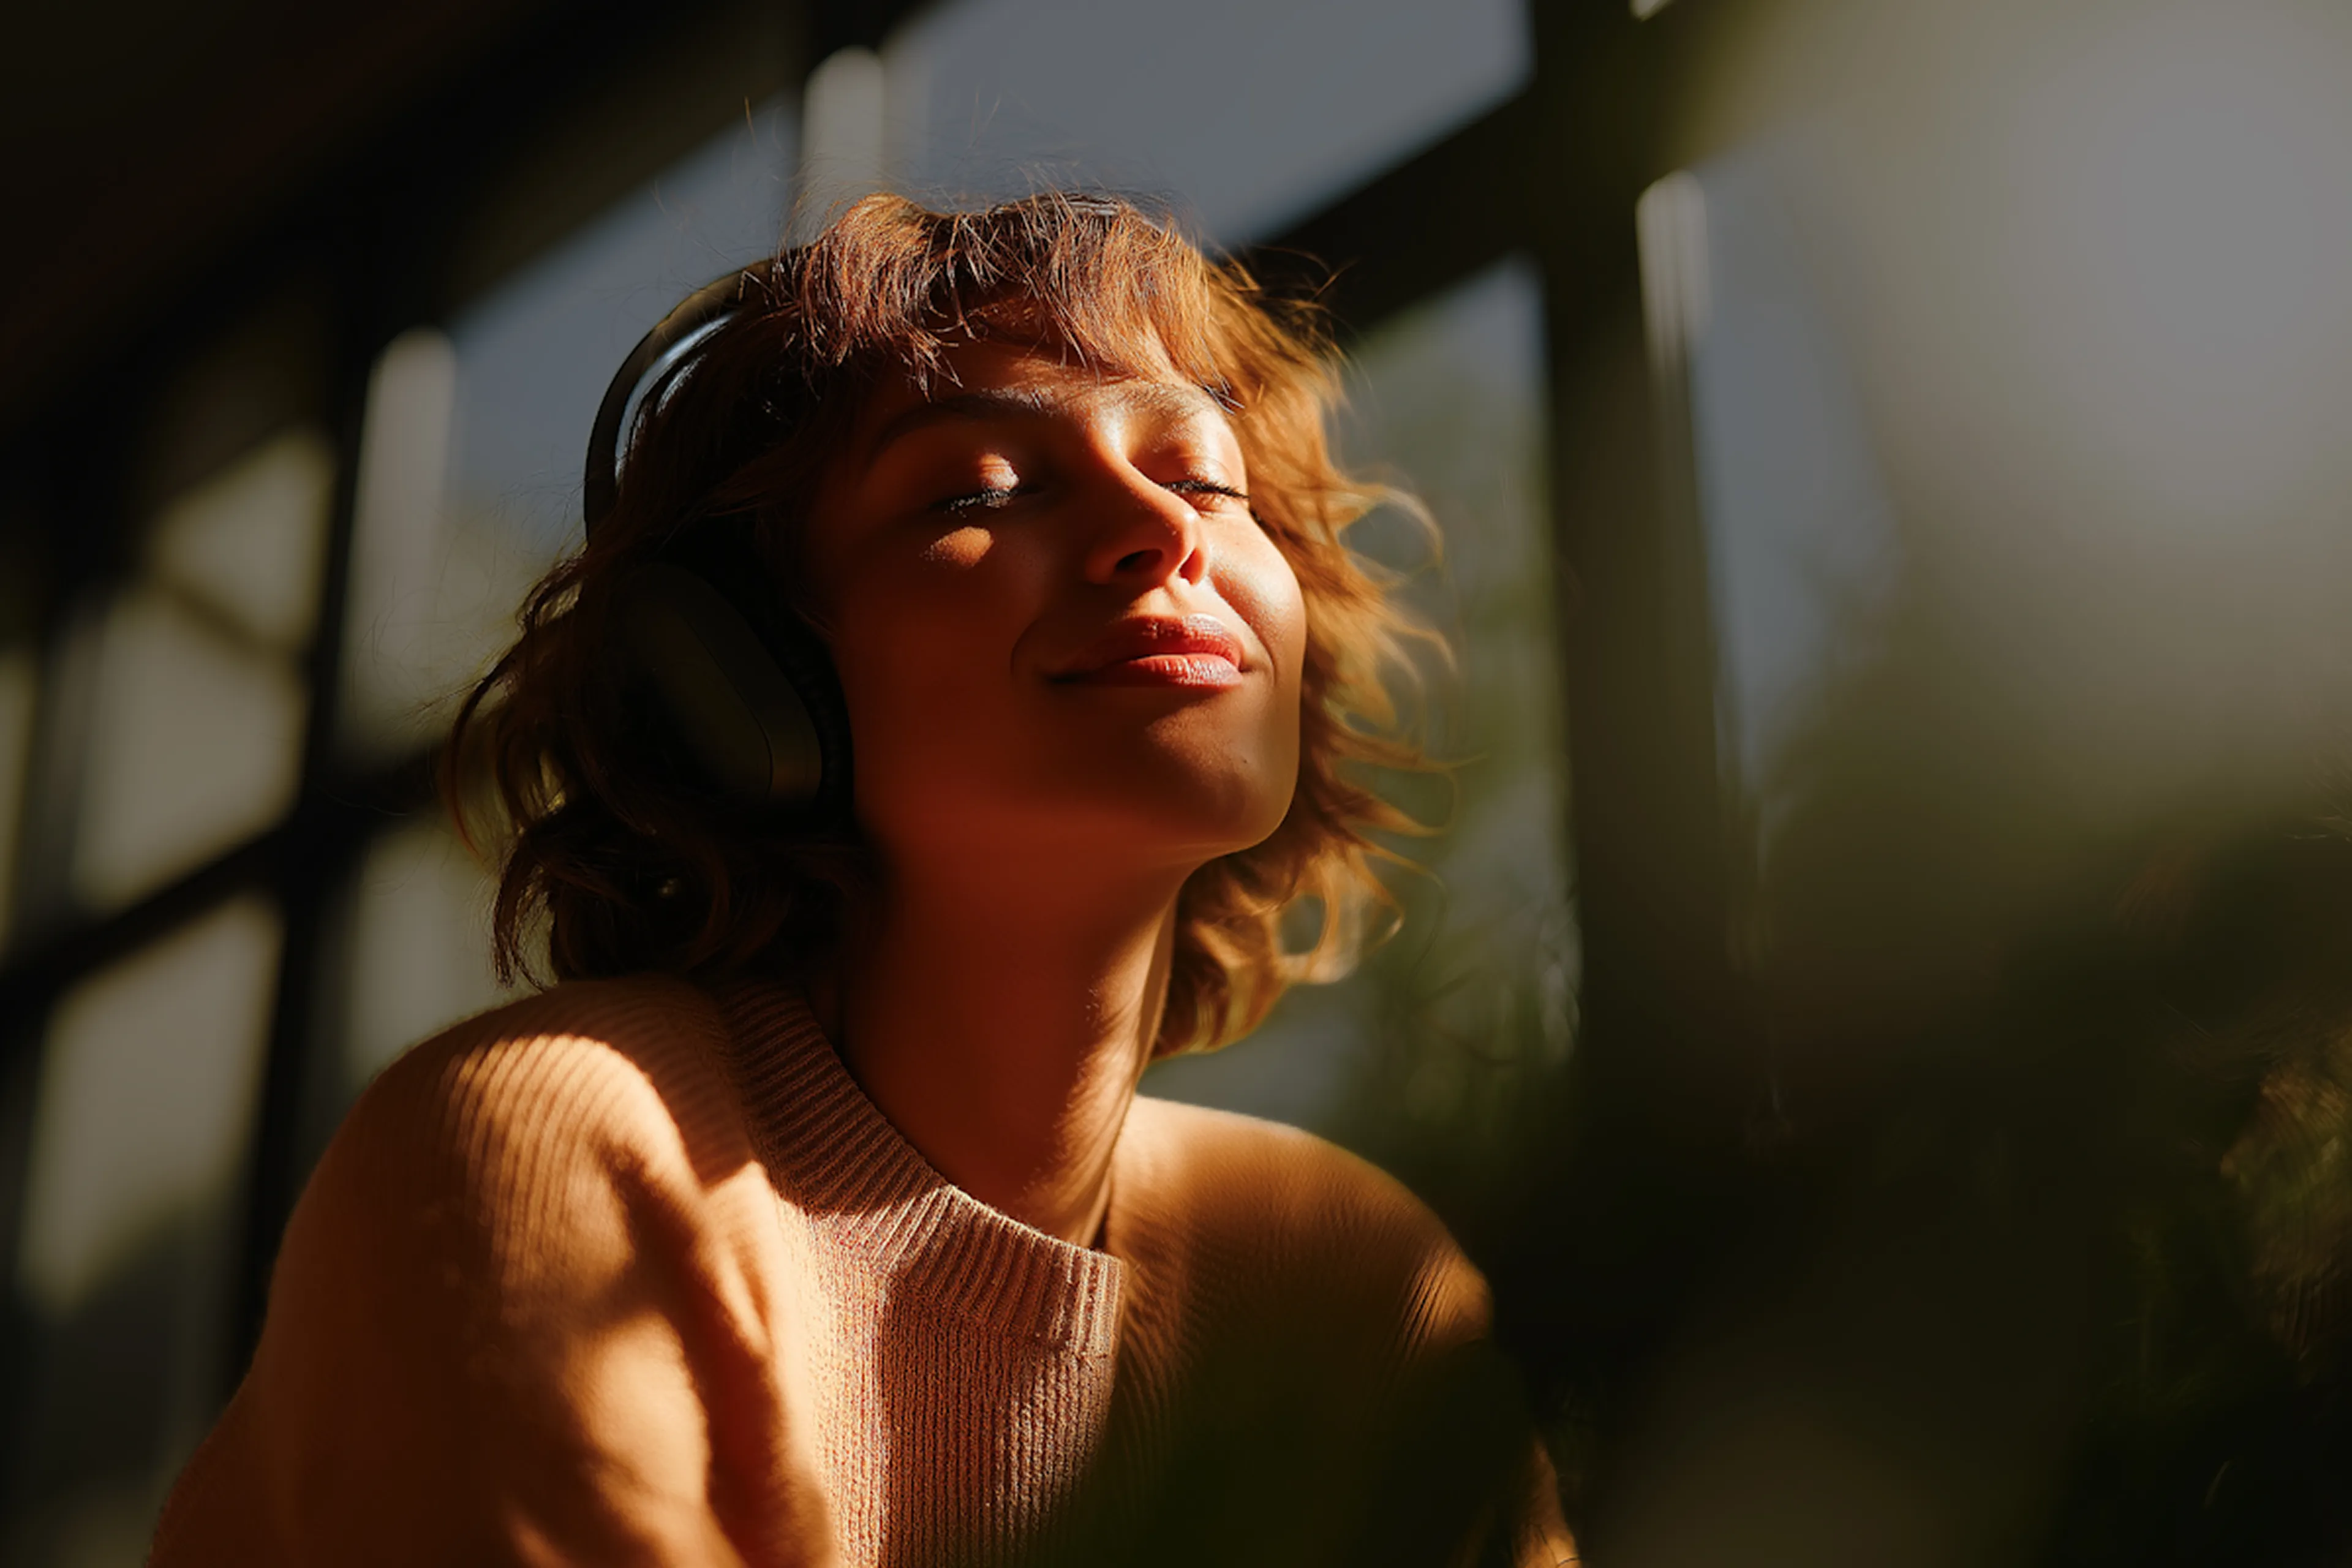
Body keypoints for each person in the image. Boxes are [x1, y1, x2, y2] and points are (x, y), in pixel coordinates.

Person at [151, 191, 1575, 1566]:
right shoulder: (562, 1147)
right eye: (981, 488)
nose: (1164, 528)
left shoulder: (1349, 1275)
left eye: (1205, 474)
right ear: (746, 678)